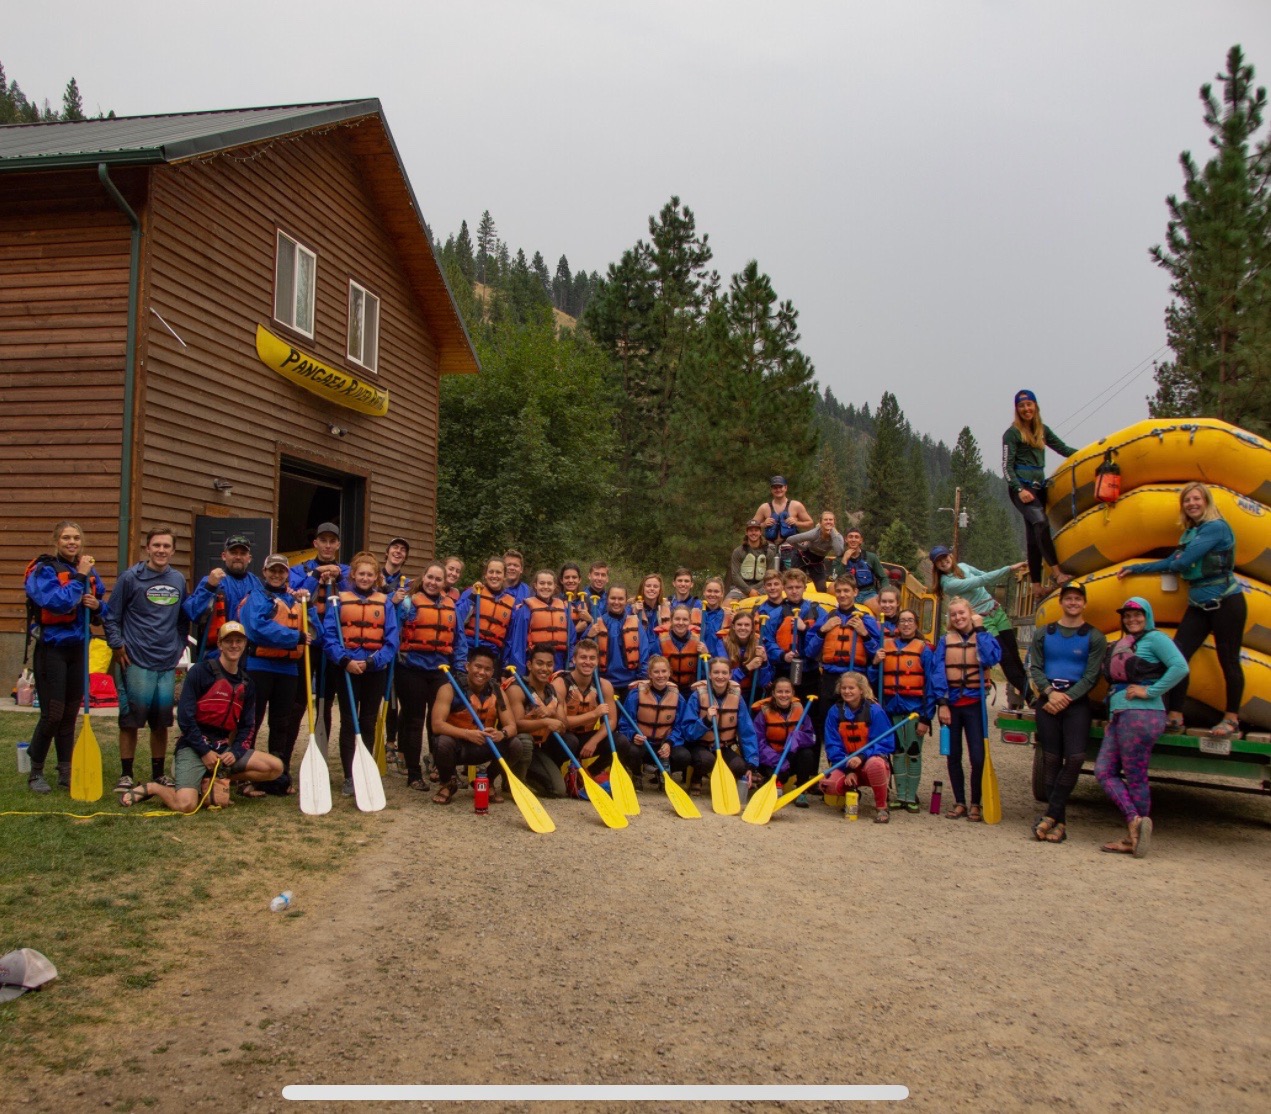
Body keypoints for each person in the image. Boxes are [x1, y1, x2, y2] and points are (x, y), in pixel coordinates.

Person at [1118, 482, 1246, 739]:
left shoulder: (1216, 527)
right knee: (1177, 656)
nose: (1191, 504)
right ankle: (1175, 714)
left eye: (1196, 499)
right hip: (1198, 604)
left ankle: (1231, 718)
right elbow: (1172, 562)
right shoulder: (1191, 533)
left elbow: (1182, 563)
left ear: (1206, 501)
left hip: (1226, 603)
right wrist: (1137, 568)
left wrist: (1177, 561)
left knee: (1229, 660)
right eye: (1187, 500)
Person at [119, 622, 283, 810]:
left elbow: (247, 726)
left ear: (245, 644)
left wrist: (235, 752)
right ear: (220, 644)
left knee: (275, 767)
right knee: (186, 805)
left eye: (239, 641)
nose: (234, 645)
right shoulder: (200, 672)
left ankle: (214, 778)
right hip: (193, 747)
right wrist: (204, 752)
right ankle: (153, 787)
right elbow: (185, 718)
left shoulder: (247, 683)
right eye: (228, 641)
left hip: (222, 749)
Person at [1095, 598, 1188, 857]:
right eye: (1127, 616)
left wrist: (1151, 691)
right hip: (1121, 715)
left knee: (1135, 775)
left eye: (1137, 615)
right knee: (1103, 771)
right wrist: (1112, 715)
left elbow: (1180, 667)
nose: (1131, 620)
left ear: (1147, 616)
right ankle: (1135, 821)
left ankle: (1134, 837)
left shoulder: (1155, 638)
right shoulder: (1126, 642)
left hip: (1141, 715)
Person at [103, 525, 189, 794]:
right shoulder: (131, 578)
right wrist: (117, 645)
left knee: (161, 722)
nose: (161, 550)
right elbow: (111, 615)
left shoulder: (178, 580)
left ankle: (158, 773)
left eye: (166, 546)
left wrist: (178, 646)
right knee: (130, 720)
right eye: (157, 545)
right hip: (135, 660)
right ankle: (126, 774)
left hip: (165, 661)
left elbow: (183, 619)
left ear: (173, 550)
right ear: (147, 548)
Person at [22, 521, 106, 793]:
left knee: (70, 713)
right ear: (56, 541)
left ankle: (65, 770)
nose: (72, 542)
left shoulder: (87, 569)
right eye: (67, 538)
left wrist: (97, 606)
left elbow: (100, 603)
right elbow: (57, 603)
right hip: (52, 648)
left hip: (78, 648)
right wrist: (80, 576)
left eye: (76, 538)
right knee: (53, 713)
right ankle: (35, 771)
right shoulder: (44, 570)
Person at [1027, 583, 1108, 843]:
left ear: (1084, 604)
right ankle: (1059, 824)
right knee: (1051, 760)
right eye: (1069, 598)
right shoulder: (1044, 633)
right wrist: (1050, 693)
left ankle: (1051, 816)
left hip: (1077, 703)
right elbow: (1035, 667)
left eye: (1078, 599)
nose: (1073, 603)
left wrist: (1067, 698)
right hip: (1048, 701)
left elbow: (1092, 675)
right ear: (1061, 602)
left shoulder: (1094, 637)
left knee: (1075, 759)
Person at [238, 554, 314, 796]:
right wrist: (294, 637)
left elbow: (315, 633)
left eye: (281, 571)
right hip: (259, 667)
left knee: (282, 725)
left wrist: (309, 606)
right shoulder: (257, 596)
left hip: (288, 670)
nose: (277, 575)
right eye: (273, 570)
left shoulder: (295, 600)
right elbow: (256, 628)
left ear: (287, 574)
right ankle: (244, 777)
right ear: (264, 571)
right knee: (252, 722)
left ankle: (277, 776)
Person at [325, 551, 399, 798]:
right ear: (353, 575)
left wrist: (371, 661)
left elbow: (391, 641)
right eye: (361, 574)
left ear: (376, 577)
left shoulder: (385, 602)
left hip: (373, 670)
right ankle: (349, 775)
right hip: (346, 669)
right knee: (349, 722)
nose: (365, 578)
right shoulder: (338, 601)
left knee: (368, 721)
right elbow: (330, 636)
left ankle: (363, 771)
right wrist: (345, 660)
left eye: (370, 574)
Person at [930, 546, 1033, 704]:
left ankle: (1029, 693)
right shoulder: (948, 584)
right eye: (939, 561)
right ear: (936, 566)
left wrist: (1001, 575)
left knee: (1014, 653)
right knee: (1005, 657)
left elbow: (983, 574)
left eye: (945, 557)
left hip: (997, 611)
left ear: (950, 556)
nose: (944, 562)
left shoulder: (963, 566)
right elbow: (981, 580)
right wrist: (1010, 568)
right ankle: (1031, 698)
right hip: (983, 619)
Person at [396, 560, 466, 791]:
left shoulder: (451, 606)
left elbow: (459, 640)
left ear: (444, 583)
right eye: (430, 578)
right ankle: (414, 773)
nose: (433, 583)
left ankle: (440, 768)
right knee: (414, 721)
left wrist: (460, 667)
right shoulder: (408, 603)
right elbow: (394, 630)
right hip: (412, 669)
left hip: (440, 671)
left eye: (438, 579)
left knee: (438, 722)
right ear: (423, 578)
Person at [930, 597, 1002, 821]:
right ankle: (960, 801)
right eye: (954, 614)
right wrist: (942, 704)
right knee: (953, 756)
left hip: (974, 705)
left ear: (970, 613)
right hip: (951, 706)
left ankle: (975, 803)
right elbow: (937, 671)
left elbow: (992, 658)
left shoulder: (983, 636)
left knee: (978, 757)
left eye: (962, 613)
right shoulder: (945, 641)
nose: (958, 617)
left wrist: (980, 630)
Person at [429, 646, 527, 805]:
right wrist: (467, 734)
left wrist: (501, 733)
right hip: (458, 746)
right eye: (478, 667)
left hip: (484, 745)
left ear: (493, 672)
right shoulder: (449, 688)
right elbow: (437, 725)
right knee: (442, 742)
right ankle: (448, 783)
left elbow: (511, 726)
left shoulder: (497, 691)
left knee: (515, 744)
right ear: (468, 666)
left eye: (487, 669)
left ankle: (486, 781)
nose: (482, 672)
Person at [1002, 389, 1077, 596]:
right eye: (1021, 406)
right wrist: (1019, 489)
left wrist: (1090, 453)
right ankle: (1057, 573)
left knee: (1033, 535)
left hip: (1039, 488)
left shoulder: (1043, 430)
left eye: (1029, 404)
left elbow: (1063, 449)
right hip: (1022, 488)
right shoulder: (1012, 433)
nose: (1026, 409)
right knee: (1041, 523)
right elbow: (1006, 466)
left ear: (1035, 406)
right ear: (1017, 409)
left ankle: (1036, 585)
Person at [287, 522, 349, 748]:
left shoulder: (347, 572)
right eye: (323, 541)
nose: (328, 546)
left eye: (332, 541)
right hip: (307, 641)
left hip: (333, 643)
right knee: (298, 701)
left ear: (338, 544)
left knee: (326, 700)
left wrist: (339, 578)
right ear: (316, 543)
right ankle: (286, 752)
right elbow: (294, 595)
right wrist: (315, 575)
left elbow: (355, 596)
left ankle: (321, 752)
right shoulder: (299, 570)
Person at [874, 608, 935, 813]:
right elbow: (874, 678)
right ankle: (900, 795)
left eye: (910, 620)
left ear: (916, 624)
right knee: (898, 752)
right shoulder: (885, 647)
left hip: (915, 711)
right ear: (897, 625)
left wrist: (926, 717)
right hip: (892, 709)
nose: (906, 624)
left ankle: (911, 796)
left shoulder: (924, 649)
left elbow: (930, 685)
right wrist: (875, 662)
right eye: (902, 621)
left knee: (913, 752)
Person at [821, 671, 896, 822]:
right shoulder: (835, 711)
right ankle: (852, 790)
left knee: (876, 765)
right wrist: (848, 770)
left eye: (851, 688)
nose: (847, 691)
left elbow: (884, 742)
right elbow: (833, 745)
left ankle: (882, 807)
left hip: (869, 761)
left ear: (861, 690)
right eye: (844, 688)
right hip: (846, 762)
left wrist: (862, 756)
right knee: (828, 784)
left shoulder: (875, 711)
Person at [553, 638, 633, 780]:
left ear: (597, 661)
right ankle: (557, 774)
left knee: (621, 742)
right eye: (583, 657)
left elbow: (611, 721)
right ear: (574, 660)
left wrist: (594, 741)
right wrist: (594, 714)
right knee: (571, 741)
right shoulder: (560, 683)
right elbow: (561, 723)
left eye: (592, 658)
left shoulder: (604, 686)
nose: (587, 662)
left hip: (586, 737)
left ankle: (589, 774)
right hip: (563, 737)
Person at [683, 657, 760, 793]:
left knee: (740, 767)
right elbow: (688, 732)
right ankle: (696, 778)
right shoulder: (697, 695)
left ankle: (724, 782)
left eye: (724, 673)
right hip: (700, 745)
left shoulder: (736, 697)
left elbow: (747, 731)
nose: (720, 676)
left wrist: (751, 763)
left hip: (724, 746)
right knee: (706, 760)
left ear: (730, 675)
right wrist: (706, 720)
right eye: (716, 672)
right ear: (709, 674)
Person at [507, 646, 573, 798]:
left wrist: (551, 711)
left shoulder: (553, 691)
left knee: (558, 790)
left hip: (540, 747)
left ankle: (530, 776)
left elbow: (563, 726)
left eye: (549, 664)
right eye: (539, 663)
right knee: (524, 740)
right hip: (516, 746)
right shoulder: (517, 689)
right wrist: (545, 722)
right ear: (530, 665)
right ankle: (515, 782)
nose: (545, 669)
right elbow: (517, 725)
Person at [183, 535, 262, 658]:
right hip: (216, 654)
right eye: (233, 553)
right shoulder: (212, 580)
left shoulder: (257, 584)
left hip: (248, 654)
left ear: (249, 558)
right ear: (224, 556)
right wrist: (209, 587)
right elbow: (192, 612)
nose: (238, 557)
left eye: (242, 553)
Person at [623, 655, 694, 786]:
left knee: (684, 757)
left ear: (669, 673)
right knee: (630, 751)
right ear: (650, 674)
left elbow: (680, 726)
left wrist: (669, 743)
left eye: (664, 671)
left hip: (663, 745)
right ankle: (637, 774)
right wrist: (633, 735)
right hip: (643, 745)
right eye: (656, 672)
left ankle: (662, 772)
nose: (660, 675)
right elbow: (625, 723)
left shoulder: (678, 698)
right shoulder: (635, 695)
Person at [752, 677, 817, 796]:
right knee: (780, 776)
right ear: (773, 693)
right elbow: (758, 742)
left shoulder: (801, 712)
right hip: (771, 759)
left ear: (792, 693)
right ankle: (770, 782)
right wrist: (777, 760)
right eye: (779, 692)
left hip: (791, 757)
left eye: (787, 692)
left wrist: (798, 736)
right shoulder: (764, 713)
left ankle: (801, 791)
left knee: (807, 754)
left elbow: (812, 738)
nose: (783, 695)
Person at [505, 569, 573, 675]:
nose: (546, 586)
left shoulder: (563, 608)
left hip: (558, 663)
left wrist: (570, 664)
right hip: (535, 662)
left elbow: (571, 639)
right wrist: (520, 673)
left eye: (549, 583)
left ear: (554, 586)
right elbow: (518, 644)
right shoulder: (526, 609)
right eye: (542, 583)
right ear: (535, 585)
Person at [589, 585, 646, 700]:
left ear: (626, 601)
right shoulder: (597, 623)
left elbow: (644, 653)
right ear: (607, 599)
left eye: (620, 599)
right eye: (613, 598)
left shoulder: (635, 623)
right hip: (604, 683)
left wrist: (643, 679)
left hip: (631, 683)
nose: (616, 602)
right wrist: (589, 636)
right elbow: (583, 650)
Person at [455, 557, 516, 658]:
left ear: (504, 576)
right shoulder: (472, 592)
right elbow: (458, 620)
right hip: (469, 648)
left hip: (493, 652)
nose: (494, 576)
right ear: (485, 575)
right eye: (491, 572)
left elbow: (510, 637)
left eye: (498, 572)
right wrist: (472, 597)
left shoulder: (511, 602)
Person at [788, 511, 844, 593]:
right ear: (820, 522)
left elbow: (839, 552)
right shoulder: (814, 533)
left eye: (830, 520)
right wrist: (802, 547)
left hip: (817, 562)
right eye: (825, 520)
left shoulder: (837, 537)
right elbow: (790, 540)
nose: (828, 521)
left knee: (822, 589)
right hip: (801, 558)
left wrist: (833, 534)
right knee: (796, 585)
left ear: (834, 522)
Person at [721, 610, 771, 702]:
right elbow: (722, 678)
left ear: (752, 628)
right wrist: (747, 667)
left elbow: (764, 682)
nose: (743, 628)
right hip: (729, 692)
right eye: (739, 624)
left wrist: (764, 662)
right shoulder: (723, 643)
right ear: (733, 626)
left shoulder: (759, 645)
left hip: (752, 693)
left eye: (747, 625)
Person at [658, 604, 707, 696]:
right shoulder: (661, 640)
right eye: (677, 619)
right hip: (667, 688)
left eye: (685, 619)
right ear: (671, 620)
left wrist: (706, 655)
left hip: (691, 690)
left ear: (690, 621)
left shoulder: (699, 641)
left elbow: (707, 670)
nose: (681, 623)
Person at [836, 529, 888, 611]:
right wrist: (844, 560)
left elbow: (883, 578)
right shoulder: (839, 559)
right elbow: (836, 579)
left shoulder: (871, 557)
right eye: (850, 537)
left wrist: (885, 594)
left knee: (880, 609)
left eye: (856, 537)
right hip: (846, 594)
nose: (853, 539)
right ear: (846, 539)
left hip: (867, 594)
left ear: (861, 540)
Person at [754, 476, 814, 547]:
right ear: (771, 490)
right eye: (775, 488)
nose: (778, 490)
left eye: (780, 487)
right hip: (770, 546)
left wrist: (796, 523)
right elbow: (751, 526)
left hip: (790, 546)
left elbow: (810, 523)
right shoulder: (764, 507)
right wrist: (763, 524)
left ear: (785, 488)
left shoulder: (796, 505)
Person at [729, 520, 778, 599]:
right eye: (751, 531)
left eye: (756, 530)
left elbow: (770, 575)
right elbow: (735, 575)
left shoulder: (769, 553)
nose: (753, 533)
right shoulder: (738, 551)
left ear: (760, 532)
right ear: (746, 532)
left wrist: (754, 590)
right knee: (727, 603)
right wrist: (749, 591)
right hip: (741, 588)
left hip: (762, 588)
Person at [558, 562, 592, 639]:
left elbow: (598, 624)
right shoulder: (556, 601)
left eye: (574, 577)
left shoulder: (587, 600)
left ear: (579, 579)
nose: (571, 580)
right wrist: (575, 630)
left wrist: (590, 619)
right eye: (567, 577)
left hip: (584, 644)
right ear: (561, 580)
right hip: (565, 645)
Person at [698, 577, 731, 656]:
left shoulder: (727, 616)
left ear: (722, 594)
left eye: (716, 591)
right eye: (709, 591)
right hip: (699, 659)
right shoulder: (697, 614)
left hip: (720, 660)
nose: (712, 594)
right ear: (704, 592)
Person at [633, 573, 669, 643]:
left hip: (661, 648)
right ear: (642, 588)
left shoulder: (668, 609)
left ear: (660, 590)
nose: (652, 589)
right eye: (648, 586)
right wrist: (633, 613)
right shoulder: (631, 608)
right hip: (641, 647)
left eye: (655, 586)